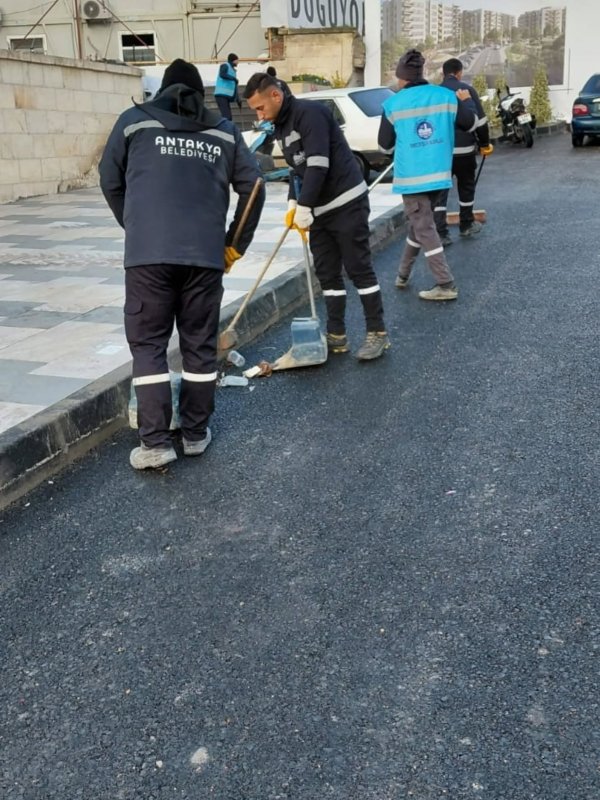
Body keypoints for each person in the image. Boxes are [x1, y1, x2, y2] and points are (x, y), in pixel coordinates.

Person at [99, 59, 265, 469]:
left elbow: (109, 179)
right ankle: (194, 434)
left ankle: (155, 443)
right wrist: (233, 246)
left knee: (150, 346)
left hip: (148, 258)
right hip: (205, 259)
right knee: (198, 347)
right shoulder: (224, 132)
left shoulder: (134, 121)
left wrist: (136, 227)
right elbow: (255, 187)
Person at [243, 72, 390, 361]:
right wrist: (292, 202)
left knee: (358, 268)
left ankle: (377, 333)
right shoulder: (281, 127)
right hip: (320, 212)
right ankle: (336, 334)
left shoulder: (310, 114)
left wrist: (304, 205)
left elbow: (318, 164)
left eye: (260, 108)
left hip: (347, 202)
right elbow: (297, 170)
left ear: (276, 95)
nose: (259, 115)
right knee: (326, 272)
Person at [378, 49, 478, 301]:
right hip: (439, 175)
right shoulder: (445, 96)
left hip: (411, 180)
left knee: (424, 227)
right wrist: (465, 101)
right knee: (419, 226)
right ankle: (402, 275)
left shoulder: (393, 104)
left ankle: (445, 283)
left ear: (402, 77)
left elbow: (384, 147)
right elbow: (471, 123)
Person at [434, 58, 493, 245]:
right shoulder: (467, 91)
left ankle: (441, 233)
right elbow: (480, 123)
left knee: (440, 192)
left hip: (441, 152)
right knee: (466, 187)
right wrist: (485, 144)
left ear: (443, 74)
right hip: (465, 151)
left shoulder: (435, 94)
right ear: (459, 73)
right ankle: (466, 225)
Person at [214, 53, 241, 121]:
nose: (238, 62)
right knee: (227, 117)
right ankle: (225, 130)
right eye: (237, 60)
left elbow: (234, 86)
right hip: (221, 95)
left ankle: (227, 130)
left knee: (228, 117)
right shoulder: (225, 65)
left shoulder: (233, 71)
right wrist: (233, 79)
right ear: (233, 60)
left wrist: (238, 99)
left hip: (226, 96)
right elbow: (222, 74)